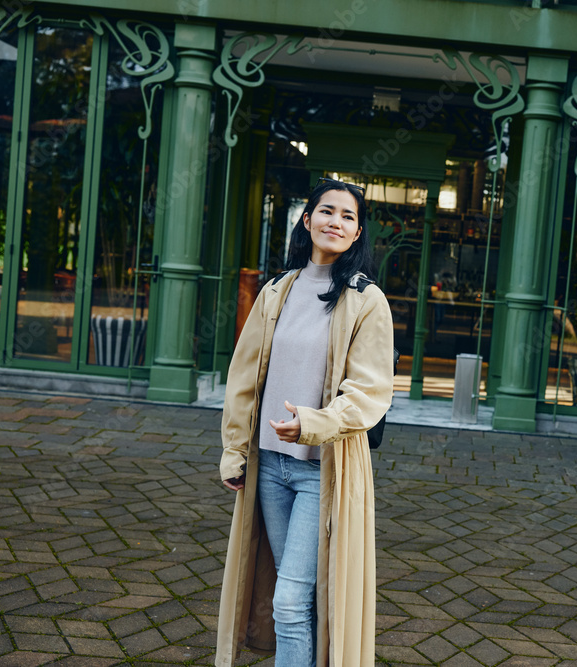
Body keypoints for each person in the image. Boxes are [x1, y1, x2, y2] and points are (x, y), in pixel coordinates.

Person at [216, 177, 394, 667]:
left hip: (325, 470)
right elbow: (244, 379)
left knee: (291, 601)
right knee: (292, 593)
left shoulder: (366, 300)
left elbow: (370, 391)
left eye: (348, 216)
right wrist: (235, 450)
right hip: (271, 467)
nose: (336, 222)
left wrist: (314, 424)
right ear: (307, 218)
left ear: (357, 233)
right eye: (327, 211)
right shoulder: (276, 290)